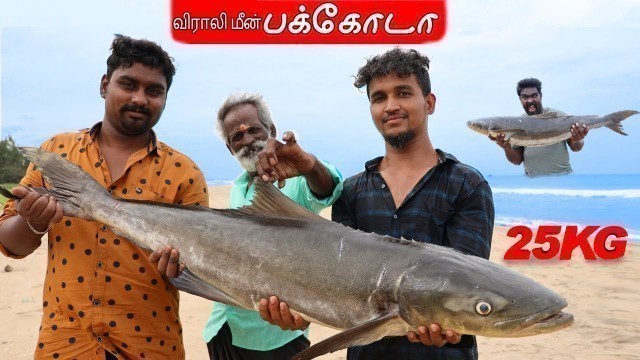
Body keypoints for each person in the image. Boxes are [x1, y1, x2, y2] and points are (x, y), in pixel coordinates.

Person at [260, 48, 494, 358]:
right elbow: (340, 287)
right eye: (379, 97)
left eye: (403, 93)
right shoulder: (352, 191)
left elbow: (470, 291)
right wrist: (301, 311)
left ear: (429, 103)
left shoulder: (466, 185)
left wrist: (452, 333)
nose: (391, 106)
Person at [0, 35, 209, 359]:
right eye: (128, 84)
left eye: (154, 90)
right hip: (65, 345)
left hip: (150, 346)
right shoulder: (57, 152)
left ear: (165, 99)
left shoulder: (185, 172)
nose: (140, 98)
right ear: (104, 85)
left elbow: (199, 270)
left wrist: (179, 268)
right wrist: (33, 221)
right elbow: (10, 243)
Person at [151, 91, 343, 359]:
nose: (248, 140)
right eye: (237, 137)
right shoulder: (237, 190)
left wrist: (309, 165)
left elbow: (328, 188)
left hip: (277, 338)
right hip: (223, 329)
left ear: (271, 130)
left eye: (254, 130)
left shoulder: (297, 180)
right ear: (230, 148)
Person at [490, 77, 589, 176]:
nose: (530, 100)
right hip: (532, 182)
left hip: (563, 177)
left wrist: (577, 139)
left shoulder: (558, 116)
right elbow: (517, 161)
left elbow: (576, 148)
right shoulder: (518, 123)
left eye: (534, 96)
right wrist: (506, 147)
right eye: (525, 97)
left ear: (540, 96)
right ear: (520, 99)